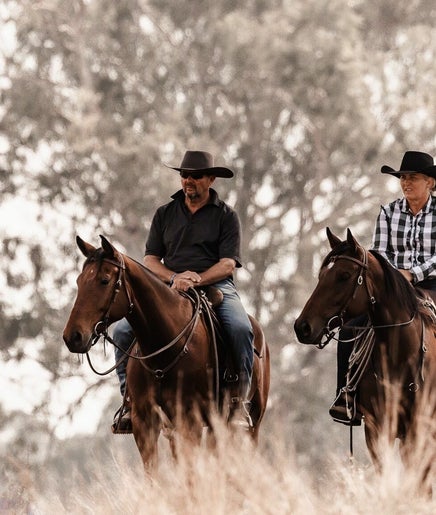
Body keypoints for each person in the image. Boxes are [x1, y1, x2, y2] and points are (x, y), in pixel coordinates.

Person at [112, 150, 254, 432]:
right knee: (121, 332)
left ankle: (238, 402)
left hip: (215, 286)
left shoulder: (226, 216)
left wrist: (197, 278)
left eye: (196, 176)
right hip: (169, 288)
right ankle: (130, 402)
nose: (189, 181)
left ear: (211, 179)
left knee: (241, 328)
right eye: (184, 175)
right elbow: (151, 259)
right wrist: (175, 277)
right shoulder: (164, 214)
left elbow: (227, 264)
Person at [329, 150, 436, 424]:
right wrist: (395, 277)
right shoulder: (388, 212)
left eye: (413, 178)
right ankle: (347, 393)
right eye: (402, 178)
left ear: (430, 183)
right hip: (393, 287)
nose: (406, 183)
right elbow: (379, 252)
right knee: (351, 327)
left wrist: (412, 274)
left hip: (432, 284)